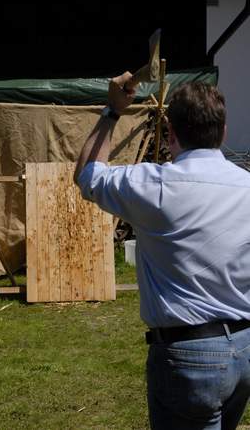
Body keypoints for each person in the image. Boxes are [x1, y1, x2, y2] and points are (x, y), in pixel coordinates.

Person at [74, 71, 250, 430]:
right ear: (223, 131)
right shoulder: (247, 187)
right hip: (245, 350)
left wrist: (112, 110)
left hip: (188, 356)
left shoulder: (150, 185)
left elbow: (87, 175)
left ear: (170, 134)